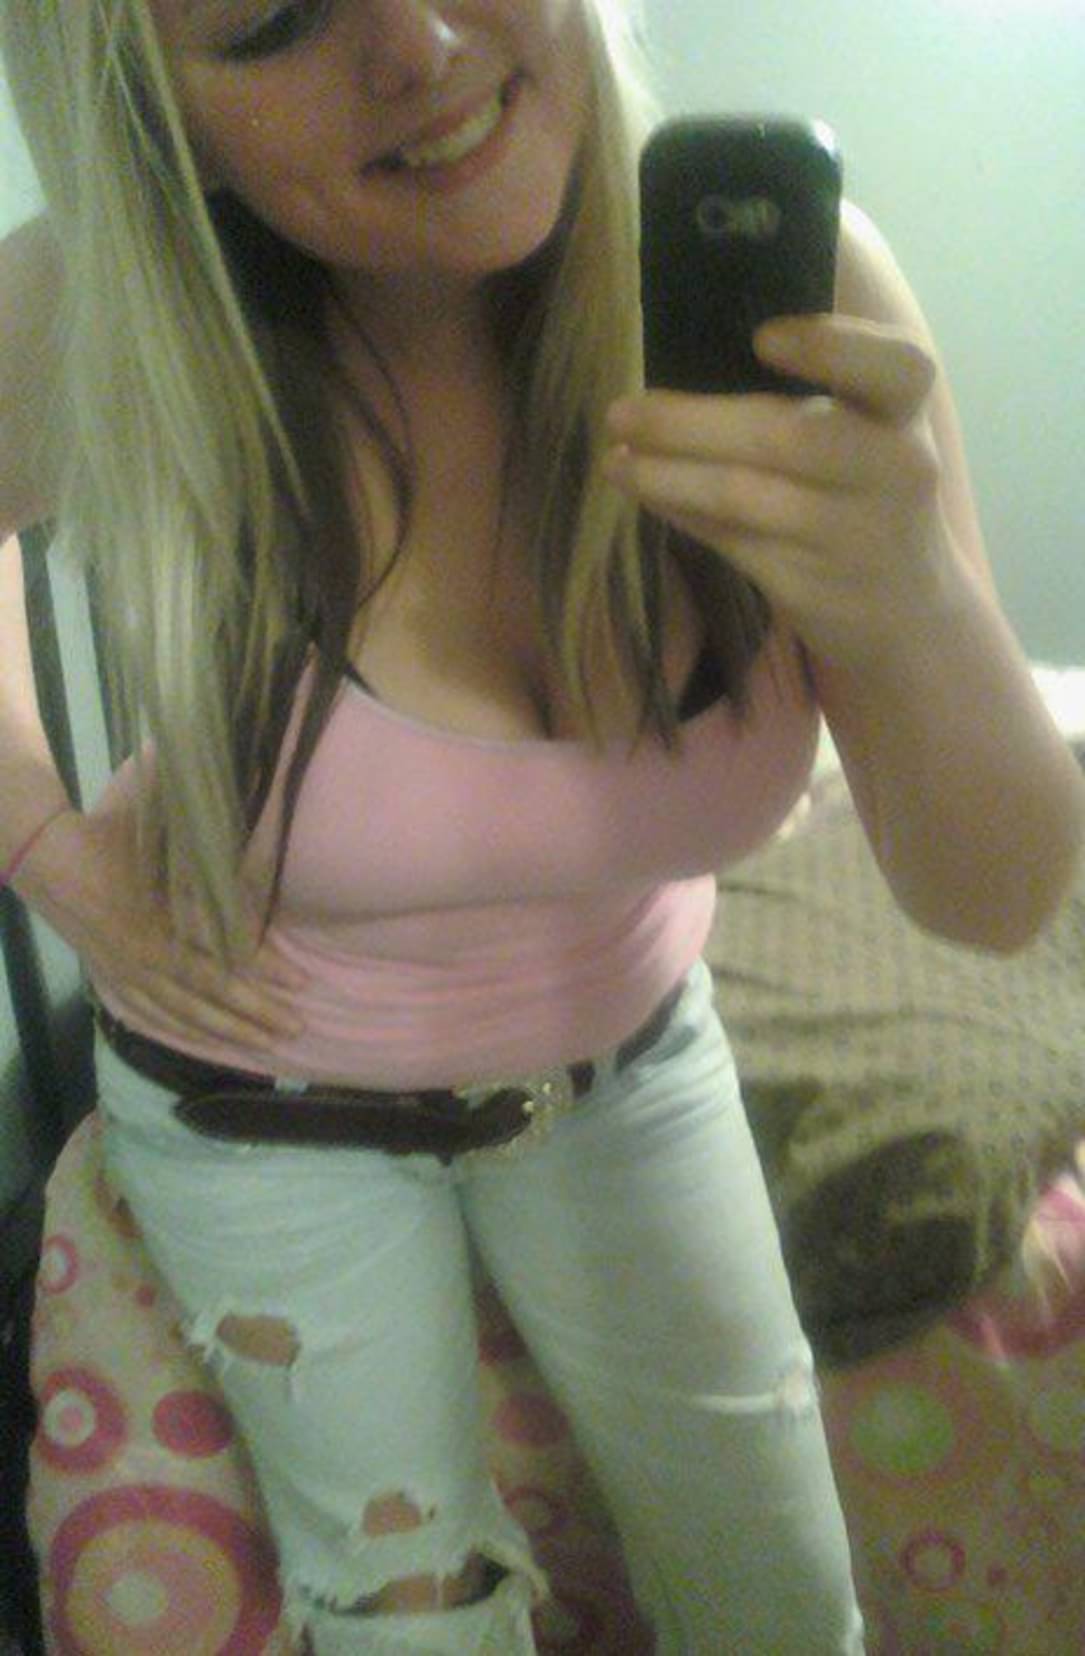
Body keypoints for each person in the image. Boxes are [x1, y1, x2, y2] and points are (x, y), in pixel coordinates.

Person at [1, 0, 1082, 1650]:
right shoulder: (98, 322)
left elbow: (993, 898)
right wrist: (47, 851)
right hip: (253, 1102)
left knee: (782, 1594)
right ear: (159, 121)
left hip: (628, 1066)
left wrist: (911, 599)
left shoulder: (799, 299)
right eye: (274, 19)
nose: (421, 42)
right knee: (402, 1617)